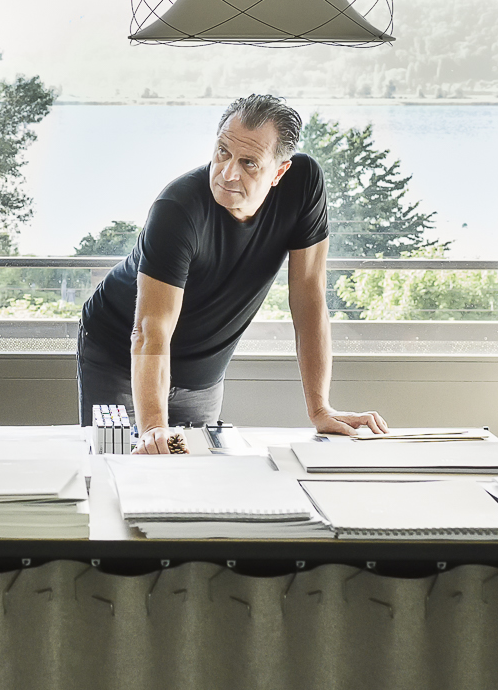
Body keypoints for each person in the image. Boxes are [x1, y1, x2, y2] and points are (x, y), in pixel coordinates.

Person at [75, 94, 386, 451]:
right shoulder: (177, 209)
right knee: (122, 459)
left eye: (249, 163)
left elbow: (309, 298)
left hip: (203, 367)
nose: (227, 173)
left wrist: (320, 409)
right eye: (222, 152)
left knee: (196, 469)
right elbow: (149, 331)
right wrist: (153, 427)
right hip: (120, 349)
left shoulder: (303, 185)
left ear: (279, 171)